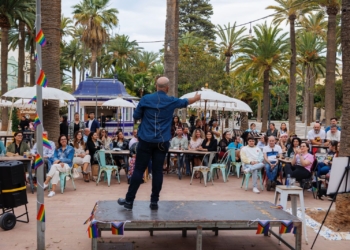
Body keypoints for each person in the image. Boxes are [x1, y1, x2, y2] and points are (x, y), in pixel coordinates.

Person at [118, 76, 201, 210]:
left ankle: (129, 201)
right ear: (167, 88)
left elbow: (136, 116)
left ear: (156, 86)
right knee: (157, 172)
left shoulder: (145, 99)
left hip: (145, 140)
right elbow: (185, 102)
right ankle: (154, 202)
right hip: (162, 141)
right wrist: (196, 98)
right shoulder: (171, 101)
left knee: (139, 170)